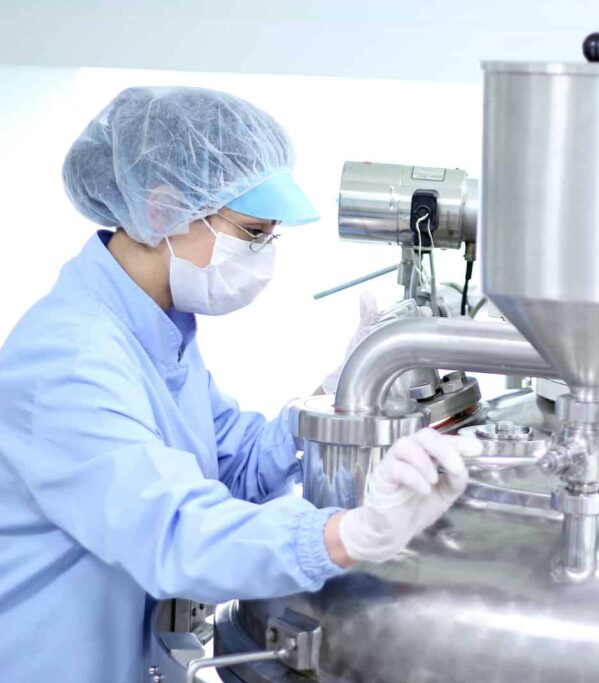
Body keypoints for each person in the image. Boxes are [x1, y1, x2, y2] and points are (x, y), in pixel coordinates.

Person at [0, 86, 480, 682]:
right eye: (253, 234)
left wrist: (340, 392)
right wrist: (352, 534)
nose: (263, 256)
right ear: (159, 211)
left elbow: (234, 461)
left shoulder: (155, 330)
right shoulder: (71, 360)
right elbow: (175, 534)